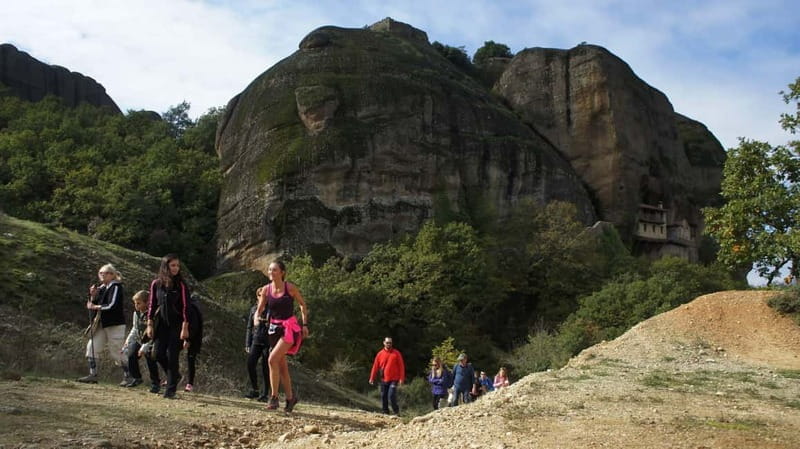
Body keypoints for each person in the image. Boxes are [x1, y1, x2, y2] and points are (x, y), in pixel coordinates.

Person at [254, 261, 309, 412]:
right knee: (282, 366)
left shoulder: (290, 288)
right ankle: (291, 398)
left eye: (275, 270)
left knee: (272, 359)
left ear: (282, 272)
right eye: (270, 269)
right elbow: (259, 309)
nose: (271, 272)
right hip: (273, 329)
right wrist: (256, 319)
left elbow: (302, 305)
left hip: (289, 329)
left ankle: (274, 397)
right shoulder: (266, 289)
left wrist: (304, 325)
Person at [145, 254, 191, 399]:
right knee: (157, 354)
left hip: (177, 325)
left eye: (178, 266)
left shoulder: (181, 285)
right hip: (161, 324)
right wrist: (149, 324)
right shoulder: (156, 284)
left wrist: (185, 327)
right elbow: (152, 304)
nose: (176, 268)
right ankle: (175, 376)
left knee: (172, 357)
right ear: (166, 266)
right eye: (173, 265)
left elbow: (186, 307)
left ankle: (170, 390)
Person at [77, 264, 127, 384]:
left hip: (114, 323)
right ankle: (92, 374)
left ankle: (129, 375)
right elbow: (93, 304)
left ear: (112, 274)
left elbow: (112, 305)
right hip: (101, 323)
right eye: (100, 273)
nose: (102, 275)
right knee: (92, 347)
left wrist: (95, 306)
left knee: (116, 350)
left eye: (105, 273)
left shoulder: (116, 287)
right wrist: (93, 296)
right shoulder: (102, 288)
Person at [121, 290, 160, 388]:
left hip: (149, 341)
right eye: (135, 303)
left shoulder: (151, 315)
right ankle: (137, 378)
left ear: (147, 302)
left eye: (139, 303)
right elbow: (135, 328)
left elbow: (151, 333)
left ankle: (155, 383)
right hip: (139, 339)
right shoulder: (136, 313)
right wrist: (128, 340)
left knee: (150, 359)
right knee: (131, 355)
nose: (136, 305)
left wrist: (144, 348)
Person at [369, 337, 406, 415]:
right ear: (384, 343)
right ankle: (385, 412)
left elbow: (401, 366)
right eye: (387, 342)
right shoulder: (380, 354)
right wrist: (372, 377)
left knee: (391, 395)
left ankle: (396, 411)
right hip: (384, 379)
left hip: (394, 379)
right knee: (383, 396)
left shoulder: (396, 353)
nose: (389, 344)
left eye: (390, 343)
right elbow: (375, 366)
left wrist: (401, 378)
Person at [245, 287, 270, 401]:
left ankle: (265, 394)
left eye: (264, 296)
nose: (262, 298)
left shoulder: (271, 309)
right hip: (256, 340)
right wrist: (247, 343)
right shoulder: (253, 309)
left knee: (266, 367)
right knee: (250, 363)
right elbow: (249, 327)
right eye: (260, 295)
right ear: (257, 296)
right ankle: (255, 389)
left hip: (268, 341)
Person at [182, 293, 204, 392]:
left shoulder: (192, 309)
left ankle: (190, 383)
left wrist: (188, 340)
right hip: (183, 335)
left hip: (193, 338)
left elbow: (194, 327)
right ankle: (172, 377)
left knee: (191, 359)